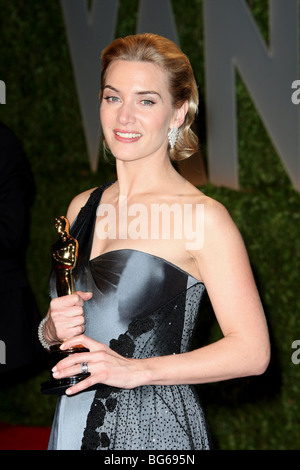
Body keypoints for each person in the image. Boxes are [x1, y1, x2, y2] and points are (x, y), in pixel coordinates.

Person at [39, 33, 270, 450]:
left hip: (150, 427)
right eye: (113, 98)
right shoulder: (80, 208)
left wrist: (137, 371)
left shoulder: (203, 217)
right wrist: (51, 329)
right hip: (72, 417)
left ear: (178, 113)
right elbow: (64, 330)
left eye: (146, 101)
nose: (124, 117)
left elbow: (253, 351)